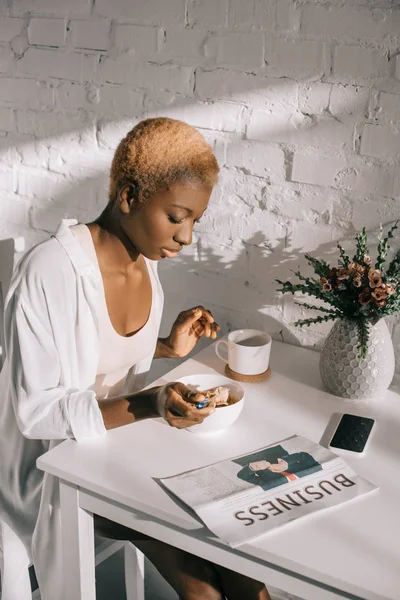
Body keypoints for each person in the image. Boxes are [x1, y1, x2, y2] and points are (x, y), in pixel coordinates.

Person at [0, 118, 271, 600]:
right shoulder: (48, 272)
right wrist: (150, 404)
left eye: (194, 221)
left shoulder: (145, 263)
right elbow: (36, 412)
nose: (187, 237)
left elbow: (101, 357)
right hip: (52, 467)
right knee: (206, 586)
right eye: (176, 216)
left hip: (118, 447)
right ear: (128, 197)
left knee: (246, 573)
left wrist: (166, 347)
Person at [235, 444, 322, 491]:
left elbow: (242, 475)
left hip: (243, 456)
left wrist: (253, 467)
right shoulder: (316, 472)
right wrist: (286, 462)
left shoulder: (271, 487)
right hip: (270, 446)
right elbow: (303, 456)